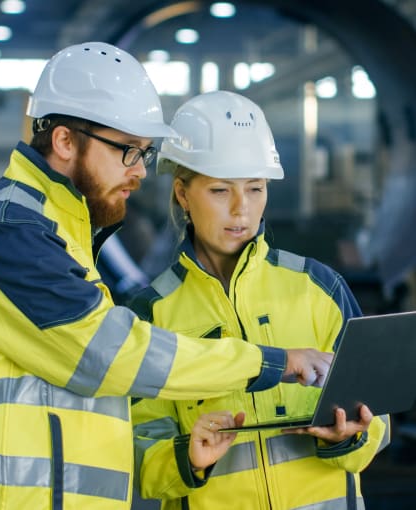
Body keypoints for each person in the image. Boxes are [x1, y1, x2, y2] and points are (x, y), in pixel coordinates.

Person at [0, 44, 333, 510]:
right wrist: (267, 362)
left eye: (144, 152)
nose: (140, 170)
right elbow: (110, 355)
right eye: (128, 151)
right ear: (64, 141)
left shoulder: (60, 232)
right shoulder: (9, 231)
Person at [130, 91, 390, 510]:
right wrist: (188, 459)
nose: (241, 210)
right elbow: (139, 452)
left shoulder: (319, 288)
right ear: (182, 194)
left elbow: (378, 415)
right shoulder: (151, 314)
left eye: (255, 188)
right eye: (219, 191)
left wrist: (353, 435)